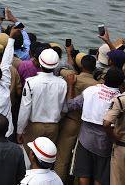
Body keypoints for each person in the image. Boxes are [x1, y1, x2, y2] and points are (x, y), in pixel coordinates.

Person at [64, 67, 124, 185]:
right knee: (100, 176)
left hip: (85, 139)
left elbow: (70, 105)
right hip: (106, 141)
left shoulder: (90, 90)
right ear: (121, 83)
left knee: (83, 173)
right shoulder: (120, 98)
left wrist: (71, 86)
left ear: (104, 78)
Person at [54, 52, 98, 180]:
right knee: (82, 160)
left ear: (81, 66)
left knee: (63, 156)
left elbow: (59, 69)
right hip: (88, 126)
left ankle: (59, 180)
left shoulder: (72, 77)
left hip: (71, 121)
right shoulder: (98, 85)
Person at [17, 48, 67, 146]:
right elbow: (64, 109)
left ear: (40, 63)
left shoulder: (30, 82)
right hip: (54, 127)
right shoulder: (62, 83)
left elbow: (25, 109)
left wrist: (20, 130)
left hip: (35, 126)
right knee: (47, 158)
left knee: (31, 157)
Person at [103, 88, 125, 185]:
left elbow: (106, 123)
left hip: (121, 146)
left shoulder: (121, 100)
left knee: (117, 180)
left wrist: (113, 137)